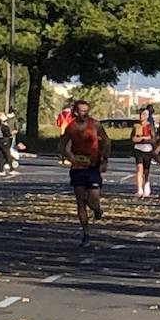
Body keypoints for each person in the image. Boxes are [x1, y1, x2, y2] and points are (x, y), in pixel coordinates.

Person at [57, 99, 110, 247]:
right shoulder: (71, 127)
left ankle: (97, 209)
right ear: (75, 112)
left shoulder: (96, 125)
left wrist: (104, 159)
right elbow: (62, 145)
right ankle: (86, 234)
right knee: (80, 201)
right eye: (82, 111)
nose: (85, 113)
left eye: (87, 110)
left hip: (93, 166)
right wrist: (70, 157)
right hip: (78, 167)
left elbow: (106, 141)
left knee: (93, 197)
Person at [130, 106, 155, 199]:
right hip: (138, 149)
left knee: (146, 169)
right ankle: (139, 189)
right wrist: (140, 139)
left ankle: (147, 184)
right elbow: (132, 138)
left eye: (143, 114)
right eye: (140, 114)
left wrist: (144, 139)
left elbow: (153, 138)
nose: (141, 116)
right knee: (139, 168)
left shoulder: (150, 126)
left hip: (148, 149)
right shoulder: (136, 126)